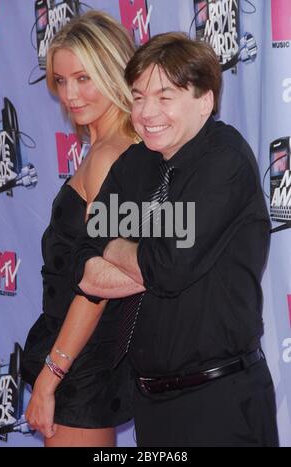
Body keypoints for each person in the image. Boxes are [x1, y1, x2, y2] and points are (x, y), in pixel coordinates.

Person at [72, 32, 279, 447]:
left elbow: (166, 268)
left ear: (204, 101)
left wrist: (119, 245)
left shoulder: (225, 159)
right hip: (149, 403)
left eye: (164, 97)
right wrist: (134, 252)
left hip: (219, 402)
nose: (147, 113)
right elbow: (87, 261)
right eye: (138, 97)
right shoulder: (135, 162)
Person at [21, 10, 137, 447]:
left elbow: (99, 282)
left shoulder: (112, 156)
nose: (70, 94)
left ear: (114, 72)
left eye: (84, 78)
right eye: (61, 80)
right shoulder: (103, 149)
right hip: (76, 360)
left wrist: (51, 377)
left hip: (81, 367)